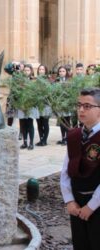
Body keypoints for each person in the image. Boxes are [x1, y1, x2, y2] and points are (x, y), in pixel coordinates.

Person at [60, 87, 100, 250]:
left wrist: (91, 206)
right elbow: (66, 170)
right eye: (79, 105)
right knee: (80, 243)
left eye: (87, 106)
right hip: (76, 203)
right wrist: (69, 200)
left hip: (97, 204)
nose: (81, 109)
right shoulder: (74, 135)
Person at [17, 64, 38, 150]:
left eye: (28, 70)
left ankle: (31, 143)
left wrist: (29, 104)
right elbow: (17, 93)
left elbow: (35, 94)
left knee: (30, 124)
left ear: (31, 71)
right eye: (25, 70)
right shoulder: (19, 81)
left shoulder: (34, 81)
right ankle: (24, 142)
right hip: (21, 105)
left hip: (30, 105)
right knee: (23, 124)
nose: (26, 72)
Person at [36, 64, 52, 146]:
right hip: (38, 105)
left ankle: (45, 140)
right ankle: (41, 139)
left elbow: (50, 93)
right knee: (39, 123)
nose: (41, 71)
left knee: (45, 123)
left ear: (45, 71)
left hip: (46, 105)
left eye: (43, 69)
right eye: (40, 69)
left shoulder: (48, 81)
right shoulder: (36, 81)